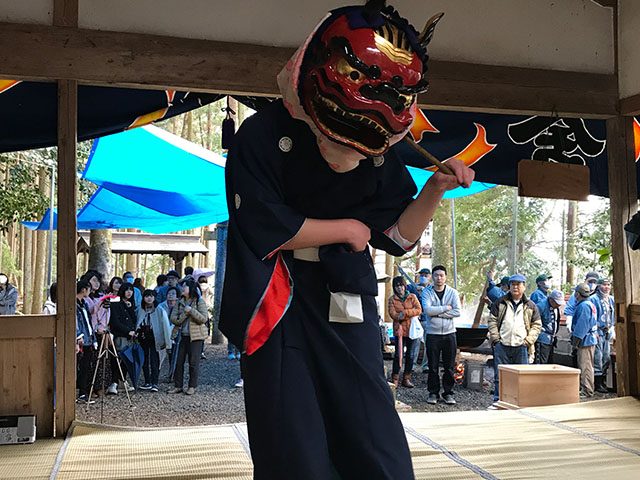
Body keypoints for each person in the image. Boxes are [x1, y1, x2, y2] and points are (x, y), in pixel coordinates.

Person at [218, 3, 473, 477]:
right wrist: (347, 229)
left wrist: (434, 188)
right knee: (292, 438)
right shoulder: (262, 134)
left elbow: (397, 235)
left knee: (372, 426)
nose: (350, 157)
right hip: (279, 298)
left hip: (346, 294)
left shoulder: (379, 148)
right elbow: (261, 225)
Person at [488, 274, 541, 404]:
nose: (515, 287)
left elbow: (537, 325)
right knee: (500, 376)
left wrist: (528, 341)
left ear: (524, 286)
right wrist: (495, 339)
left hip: (521, 346)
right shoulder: (500, 303)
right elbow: (492, 321)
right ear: (509, 286)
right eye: (512, 284)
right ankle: (499, 401)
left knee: (521, 376)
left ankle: (520, 402)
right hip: (502, 345)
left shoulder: (530, 305)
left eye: (518, 284)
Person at [421, 265, 461, 405]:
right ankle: (433, 393)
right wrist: (445, 308)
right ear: (432, 276)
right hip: (433, 334)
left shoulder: (453, 292)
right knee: (432, 366)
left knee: (449, 366)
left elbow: (457, 312)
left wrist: (437, 312)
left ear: (445, 277)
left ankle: (448, 393)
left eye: (442, 275)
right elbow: (427, 310)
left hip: (450, 334)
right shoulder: (427, 292)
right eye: (436, 275)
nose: (439, 278)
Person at [169, 278, 209, 395]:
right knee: (178, 361)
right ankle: (178, 385)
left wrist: (191, 311)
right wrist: (184, 314)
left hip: (196, 337)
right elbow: (173, 318)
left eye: (184, 287)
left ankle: (192, 386)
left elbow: (203, 319)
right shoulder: (180, 301)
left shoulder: (199, 302)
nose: (182, 289)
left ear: (190, 289)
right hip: (181, 336)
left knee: (193, 362)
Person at [387, 276, 422, 388]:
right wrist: (401, 316)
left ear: (405, 286)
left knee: (411, 355)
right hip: (399, 331)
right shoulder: (392, 299)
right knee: (398, 355)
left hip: (412, 331)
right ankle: (395, 378)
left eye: (401, 285)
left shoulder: (412, 297)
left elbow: (419, 310)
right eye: (397, 286)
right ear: (394, 287)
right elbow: (393, 314)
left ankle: (406, 378)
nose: (400, 288)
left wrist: (405, 313)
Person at [137, 289, 172, 393]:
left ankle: (155, 382)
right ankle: (147, 381)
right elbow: (138, 322)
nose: (149, 298)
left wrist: (168, 343)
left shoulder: (160, 310)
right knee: (144, 360)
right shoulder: (140, 309)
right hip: (143, 338)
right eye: (147, 296)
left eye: (151, 296)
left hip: (156, 339)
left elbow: (165, 326)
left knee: (155, 360)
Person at [106, 282, 138, 394]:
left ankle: (122, 381)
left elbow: (134, 319)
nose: (129, 292)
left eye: (131, 290)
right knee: (118, 360)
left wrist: (129, 308)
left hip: (130, 337)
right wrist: (127, 331)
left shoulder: (131, 304)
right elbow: (114, 321)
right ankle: (114, 383)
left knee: (126, 360)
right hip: (120, 336)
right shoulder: (116, 303)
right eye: (127, 289)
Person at [571, 283, 598, 397]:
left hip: (585, 340)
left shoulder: (584, 306)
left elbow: (581, 326)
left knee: (585, 366)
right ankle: (587, 388)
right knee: (587, 365)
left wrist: (575, 342)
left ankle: (587, 390)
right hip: (590, 339)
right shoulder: (590, 304)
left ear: (577, 294)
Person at [591, 278, 614, 394]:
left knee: (606, 357)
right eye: (604, 285)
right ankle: (597, 382)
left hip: (607, 331)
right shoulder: (593, 299)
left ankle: (604, 380)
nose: (607, 287)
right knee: (597, 358)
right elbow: (592, 317)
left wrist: (612, 328)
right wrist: (595, 330)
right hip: (598, 331)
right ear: (599, 286)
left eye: (608, 284)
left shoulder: (611, 299)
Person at [76, 279, 97, 404]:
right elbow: (76, 322)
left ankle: (84, 392)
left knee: (86, 367)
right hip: (80, 339)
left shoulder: (84, 303)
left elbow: (89, 321)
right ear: (84, 289)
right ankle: (80, 392)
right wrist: (78, 335)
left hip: (88, 337)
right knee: (79, 366)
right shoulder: (75, 304)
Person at [534, 289, 565, 364]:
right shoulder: (541, 306)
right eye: (557, 303)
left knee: (549, 361)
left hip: (551, 339)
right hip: (542, 339)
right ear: (551, 300)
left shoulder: (556, 308)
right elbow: (534, 322)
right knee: (541, 362)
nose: (559, 305)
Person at [158, 286, 181, 381]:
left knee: (175, 355)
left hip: (176, 332)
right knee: (160, 355)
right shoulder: (161, 306)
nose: (170, 295)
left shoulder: (180, 306)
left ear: (177, 296)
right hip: (163, 333)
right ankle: (156, 375)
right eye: (169, 293)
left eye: (173, 294)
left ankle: (173, 375)